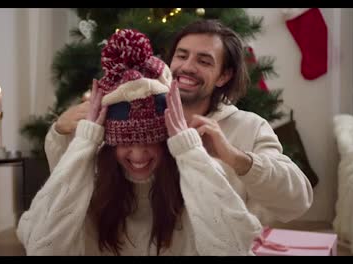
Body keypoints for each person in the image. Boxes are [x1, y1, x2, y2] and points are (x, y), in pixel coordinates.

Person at [17, 29, 263, 256]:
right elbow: (42, 247)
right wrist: (84, 142)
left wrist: (189, 150)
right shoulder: (88, 180)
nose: (137, 155)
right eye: (125, 142)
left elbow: (234, 247)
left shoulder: (196, 177)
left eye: (149, 142)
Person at [46, 19, 313, 227]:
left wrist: (233, 157)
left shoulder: (248, 127)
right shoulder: (126, 114)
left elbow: (296, 201)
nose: (187, 67)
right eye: (181, 55)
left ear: (224, 76)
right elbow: (67, 180)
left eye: (204, 60)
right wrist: (61, 130)